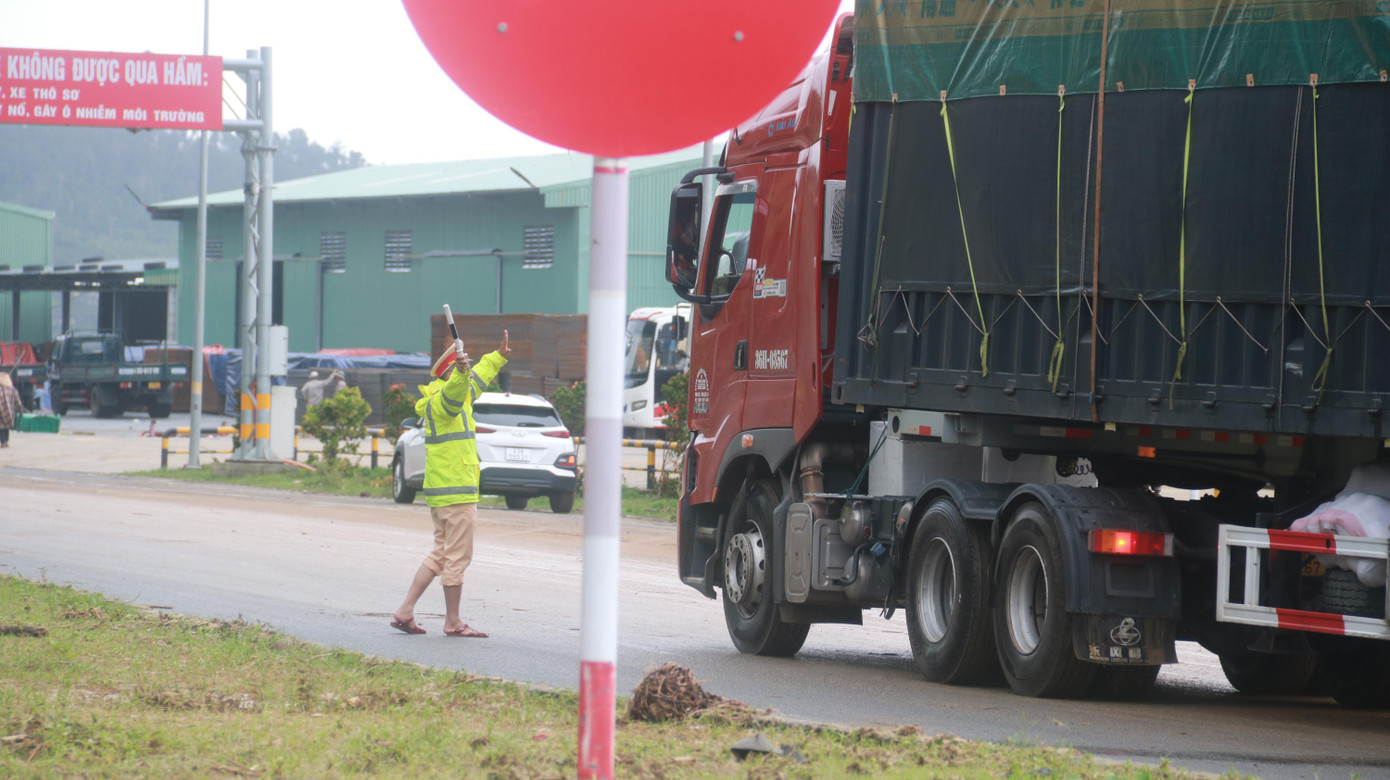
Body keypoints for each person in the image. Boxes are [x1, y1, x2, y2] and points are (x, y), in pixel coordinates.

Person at [391, 330, 511, 637]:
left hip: (444, 491)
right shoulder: (444, 402)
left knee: (441, 555)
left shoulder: (452, 397)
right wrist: (460, 372)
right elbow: (457, 393)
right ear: (451, 372)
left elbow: (476, 380)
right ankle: (453, 622)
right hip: (456, 492)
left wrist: (497, 357)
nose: (468, 370)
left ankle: (405, 611)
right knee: (457, 558)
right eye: (462, 366)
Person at [0, 372, 21, 448]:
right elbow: (17, 400)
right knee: (6, 426)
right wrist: (20, 409)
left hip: (1, 411)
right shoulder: (12, 389)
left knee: (1, 427)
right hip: (9, 411)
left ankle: (3, 442)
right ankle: (6, 441)